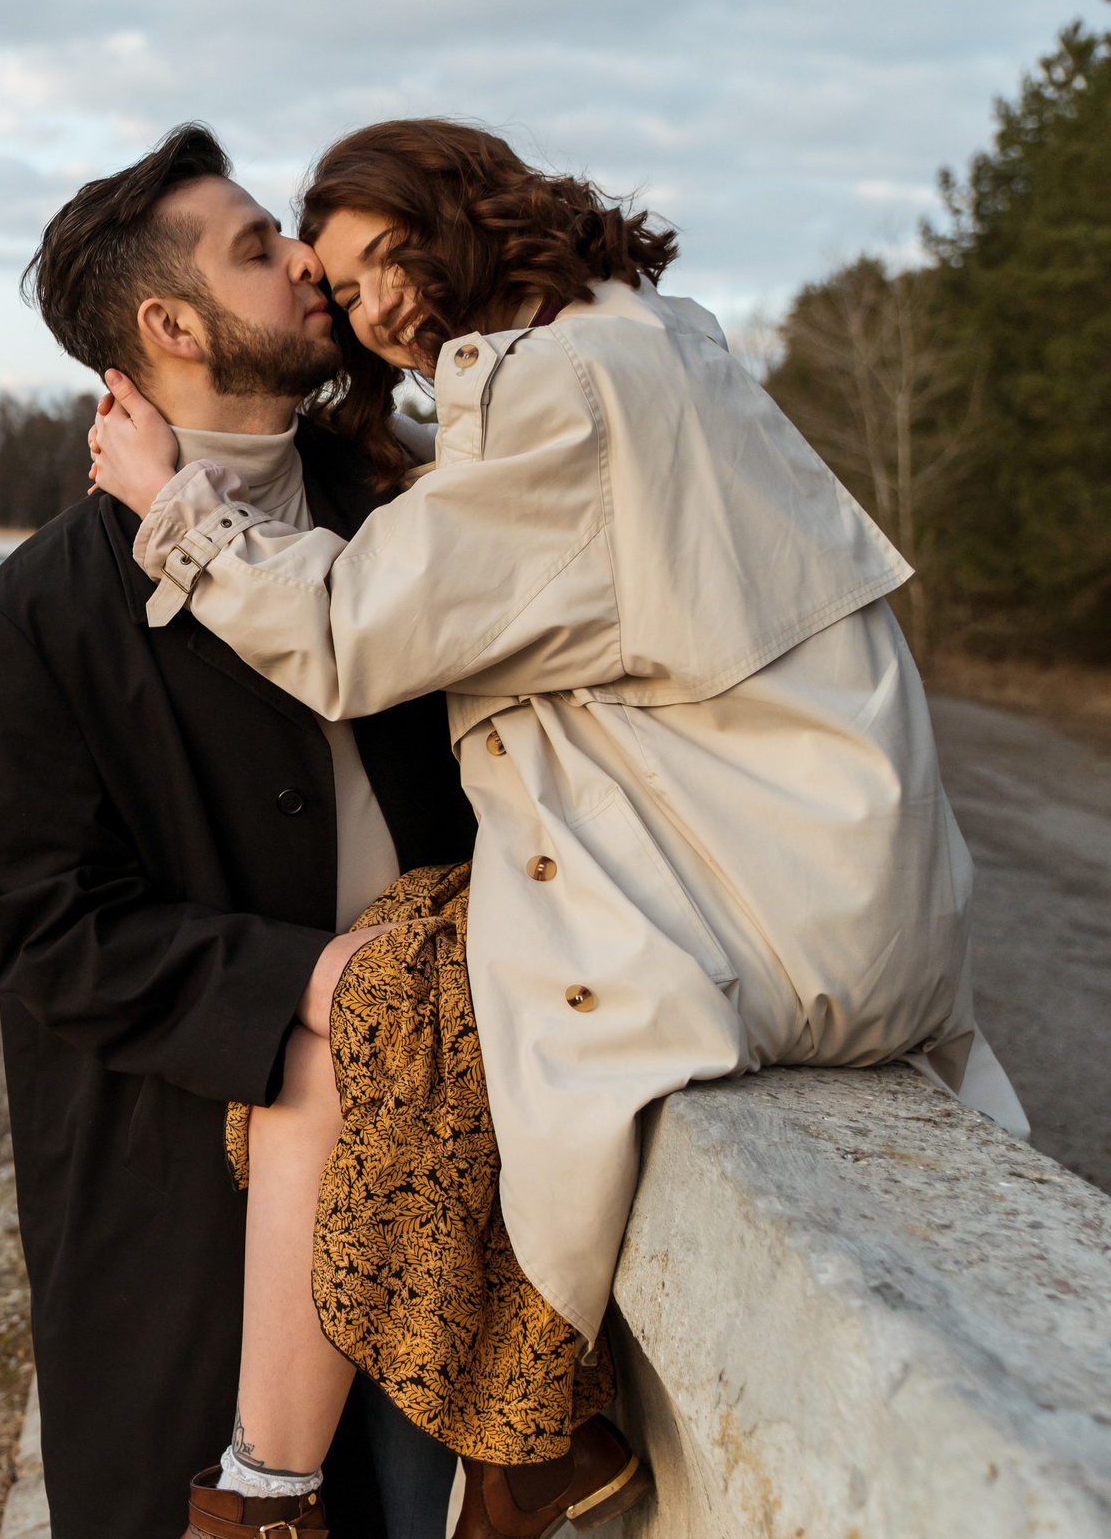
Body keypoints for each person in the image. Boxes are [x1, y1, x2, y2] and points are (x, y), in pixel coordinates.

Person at [90, 117, 1029, 1537]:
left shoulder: (569, 392)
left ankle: (314, 1488)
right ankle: (511, 1455)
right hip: (824, 877)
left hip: (779, 908)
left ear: (460, 218)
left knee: (392, 990)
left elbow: (349, 628)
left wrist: (174, 506)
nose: (358, 303)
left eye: (372, 260)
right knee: (400, 959)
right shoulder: (638, 344)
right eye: (336, 285)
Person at [0, 123, 469, 1539]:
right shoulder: (38, 615)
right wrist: (307, 981)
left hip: (458, 1175)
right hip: (187, 1206)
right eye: (258, 247)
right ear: (171, 325)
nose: (306, 258)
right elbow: (40, 920)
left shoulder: (414, 511)